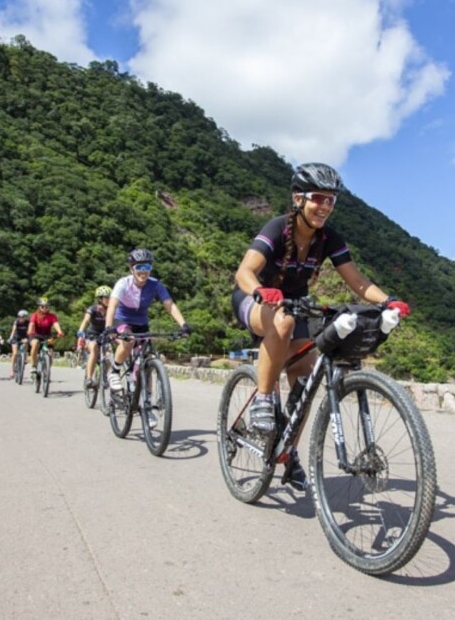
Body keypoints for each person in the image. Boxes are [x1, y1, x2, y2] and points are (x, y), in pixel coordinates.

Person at [230, 162, 411, 490]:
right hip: (256, 300)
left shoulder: (329, 239)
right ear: (298, 199)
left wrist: (388, 301)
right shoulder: (276, 229)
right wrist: (261, 290)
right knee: (282, 323)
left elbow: (356, 280)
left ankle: (287, 453)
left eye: (331, 200)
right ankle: (263, 398)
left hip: (296, 306)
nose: (325, 206)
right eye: (318, 198)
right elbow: (243, 272)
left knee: (306, 378)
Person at [104, 248, 192, 426]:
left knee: (148, 360)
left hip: (142, 322)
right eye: (139, 267)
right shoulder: (124, 283)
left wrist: (183, 324)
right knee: (128, 341)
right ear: (131, 269)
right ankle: (114, 370)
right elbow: (112, 306)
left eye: (147, 266)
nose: (143, 271)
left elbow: (169, 304)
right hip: (122, 319)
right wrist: (108, 327)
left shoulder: (156, 284)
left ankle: (149, 405)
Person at [76, 285, 113, 389]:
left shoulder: (112, 309)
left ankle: (105, 376)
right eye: (106, 297)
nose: (108, 299)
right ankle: (89, 378)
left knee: (108, 354)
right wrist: (80, 331)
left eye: (110, 297)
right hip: (92, 334)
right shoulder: (92, 309)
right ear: (100, 299)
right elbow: (86, 320)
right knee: (94, 349)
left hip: (105, 334)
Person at [28, 298, 64, 374]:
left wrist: (60, 331)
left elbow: (55, 324)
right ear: (39, 307)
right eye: (42, 306)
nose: (45, 308)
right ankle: (34, 365)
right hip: (35, 335)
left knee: (50, 353)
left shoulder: (52, 316)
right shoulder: (35, 315)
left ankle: (46, 372)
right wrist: (30, 331)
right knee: (35, 344)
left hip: (47, 336)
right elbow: (31, 324)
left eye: (47, 306)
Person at [8, 309, 30, 377]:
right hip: (16, 338)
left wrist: (29, 338)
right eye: (20, 317)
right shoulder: (16, 322)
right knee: (15, 353)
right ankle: (12, 370)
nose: (21, 318)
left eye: (23, 317)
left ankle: (25, 357)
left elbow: (30, 330)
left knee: (26, 343)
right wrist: (11, 338)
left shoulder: (28, 322)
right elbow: (13, 330)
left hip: (24, 337)